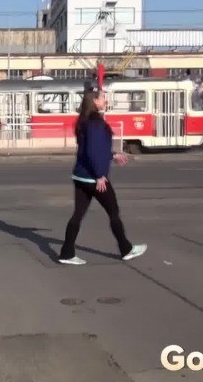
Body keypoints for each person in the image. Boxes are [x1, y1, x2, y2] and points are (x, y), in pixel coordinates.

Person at [58, 86, 147, 265]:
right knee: (113, 212)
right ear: (95, 101)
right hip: (94, 179)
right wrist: (100, 175)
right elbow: (93, 151)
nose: (105, 100)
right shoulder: (96, 123)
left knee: (78, 214)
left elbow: (92, 149)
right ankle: (126, 249)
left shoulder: (83, 121)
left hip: (81, 177)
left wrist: (113, 155)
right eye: (102, 97)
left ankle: (67, 253)